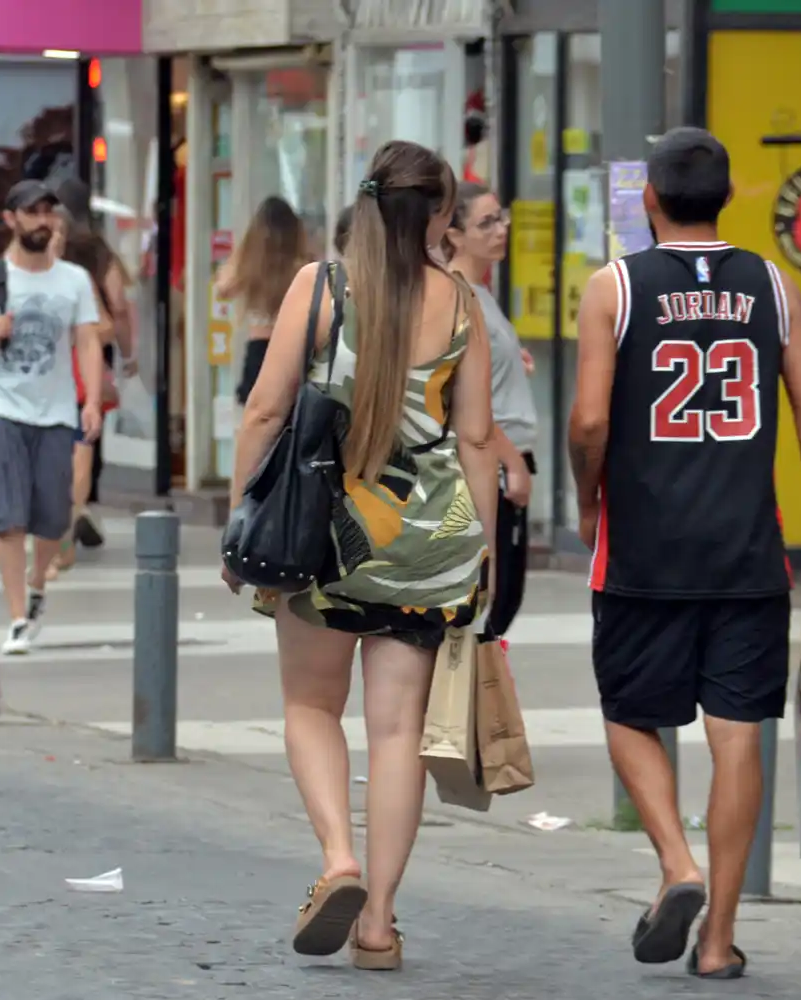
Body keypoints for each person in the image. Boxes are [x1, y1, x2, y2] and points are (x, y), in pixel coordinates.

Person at [568, 127, 801, 980]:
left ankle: (675, 864)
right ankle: (719, 940)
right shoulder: (773, 283)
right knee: (738, 738)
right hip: (747, 553)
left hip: (644, 550)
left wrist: (588, 499)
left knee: (627, 713)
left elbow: (588, 422)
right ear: (727, 198)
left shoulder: (612, 287)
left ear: (648, 200)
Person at [223, 141, 500, 971]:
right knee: (396, 733)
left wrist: (243, 524)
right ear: (441, 217)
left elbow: (265, 413)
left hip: (321, 540)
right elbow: (479, 436)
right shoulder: (461, 303)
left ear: (367, 204)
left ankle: (338, 858)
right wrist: (479, 555)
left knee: (311, 707)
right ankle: (378, 923)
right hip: (424, 544)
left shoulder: (322, 288)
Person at [0, 180, 104, 655]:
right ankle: (18, 616)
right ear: (11, 219)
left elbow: (88, 341)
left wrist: (93, 400)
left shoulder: (73, 280)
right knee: (7, 517)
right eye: (32, 212)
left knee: (53, 518)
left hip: (56, 411)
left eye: (48, 212)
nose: (42, 220)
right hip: (1, 406)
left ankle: (38, 584)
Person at [443, 182, 538, 635]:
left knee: (503, 599)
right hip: (493, 463)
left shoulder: (482, 294)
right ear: (454, 234)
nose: (500, 230)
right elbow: (465, 395)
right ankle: (472, 699)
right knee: (492, 601)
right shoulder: (460, 294)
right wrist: (512, 463)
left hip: (503, 458)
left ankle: (479, 698)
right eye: (486, 222)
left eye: (502, 218)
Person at [52, 178, 136, 551]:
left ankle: (72, 514)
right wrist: (127, 350)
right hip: (87, 361)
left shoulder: (43, 259)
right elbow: (118, 305)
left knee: (73, 444)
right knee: (83, 444)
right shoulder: (99, 252)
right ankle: (77, 509)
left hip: (67, 365)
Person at [43, 205, 126, 577]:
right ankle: (55, 535)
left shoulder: (77, 280)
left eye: (59, 233)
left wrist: (81, 336)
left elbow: (105, 325)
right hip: (37, 384)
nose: (54, 239)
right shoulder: (12, 277)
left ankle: (65, 538)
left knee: (79, 459)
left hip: (76, 380)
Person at [216, 196, 311, 423]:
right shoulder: (301, 267)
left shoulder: (249, 268)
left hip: (259, 351)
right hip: (294, 352)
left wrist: (246, 249)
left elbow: (222, 288)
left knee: (257, 423)